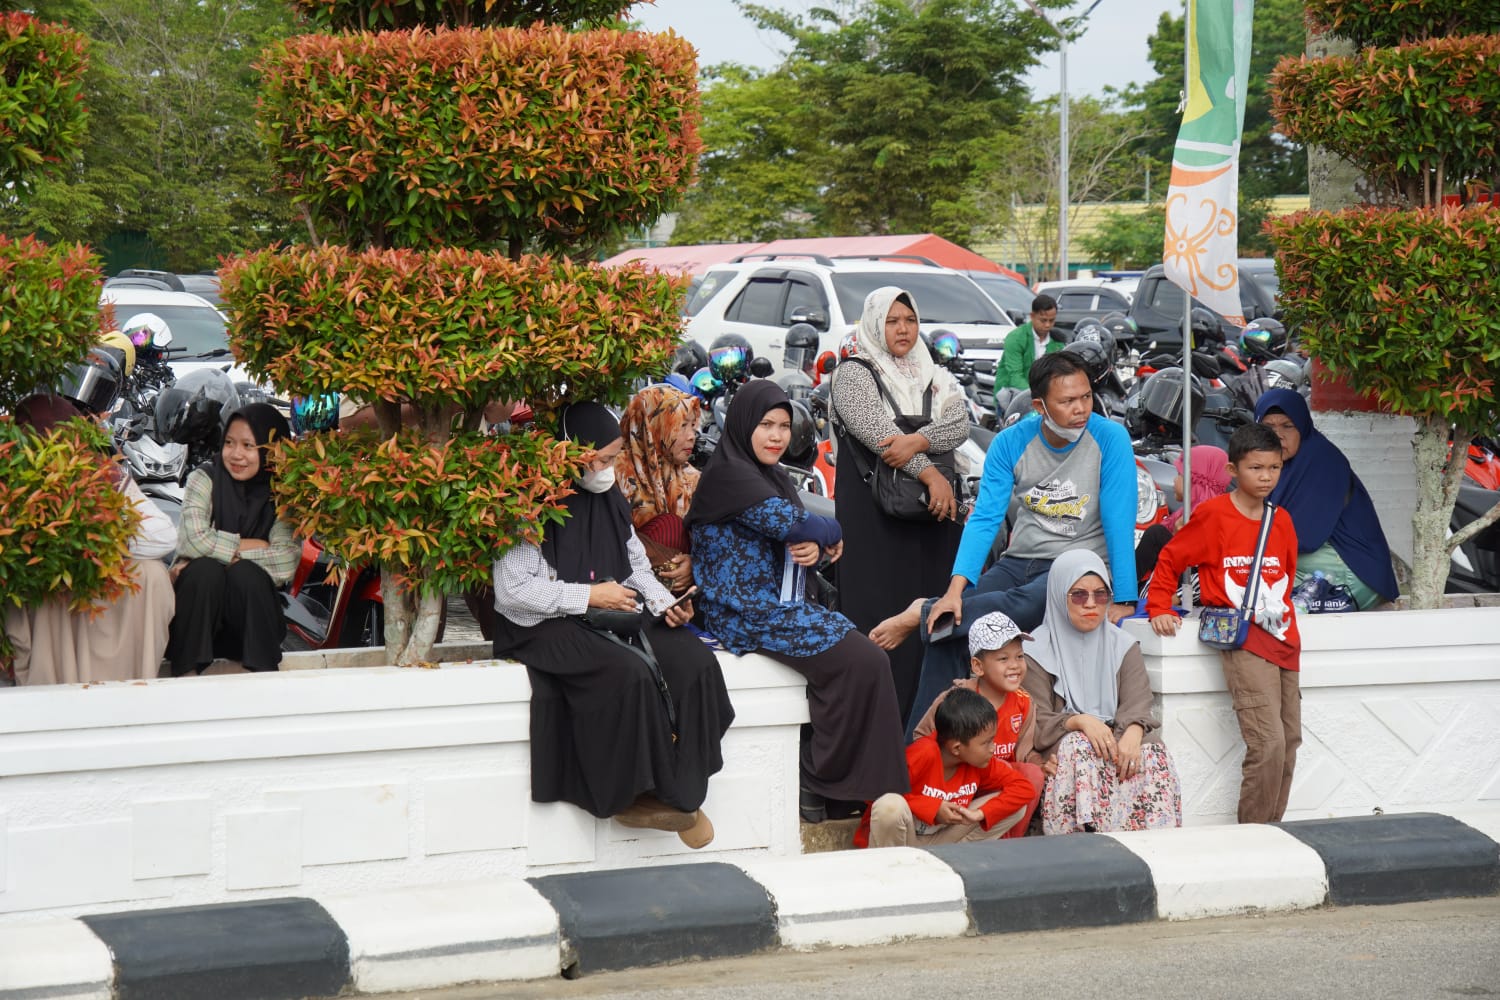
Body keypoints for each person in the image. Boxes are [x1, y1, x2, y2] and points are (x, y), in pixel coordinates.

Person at [490, 402, 732, 848]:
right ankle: (633, 794)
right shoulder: (530, 503)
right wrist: (587, 596)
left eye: (612, 457)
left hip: (611, 608)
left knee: (694, 660)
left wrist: (665, 604)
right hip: (546, 622)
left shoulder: (610, 499)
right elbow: (513, 591)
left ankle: (682, 790)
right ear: (567, 453)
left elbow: (635, 567)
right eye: (597, 459)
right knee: (629, 673)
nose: (605, 469)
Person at [686, 379, 907, 823]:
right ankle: (820, 779)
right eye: (766, 424)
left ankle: (848, 790)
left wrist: (815, 547)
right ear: (743, 424)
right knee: (862, 661)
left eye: (785, 426)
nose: (777, 436)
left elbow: (804, 533)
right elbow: (802, 522)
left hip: (777, 606)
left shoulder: (768, 474)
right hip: (741, 613)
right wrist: (823, 535)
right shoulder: (730, 475)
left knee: (865, 660)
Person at [887, 352, 1140, 737]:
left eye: (1086, 397)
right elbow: (986, 517)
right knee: (947, 630)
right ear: (1040, 406)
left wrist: (1123, 597)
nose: (1081, 409)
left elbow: (1120, 517)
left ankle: (919, 613)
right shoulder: (1010, 443)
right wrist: (955, 591)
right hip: (1018, 560)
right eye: (1067, 401)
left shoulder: (1110, 437)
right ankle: (920, 758)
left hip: (1073, 567)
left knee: (1011, 608)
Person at [1148, 423, 1302, 824]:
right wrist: (1159, 606)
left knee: (1289, 743)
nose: (1266, 476)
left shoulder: (1281, 520)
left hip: (1285, 639)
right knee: (1267, 743)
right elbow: (1170, 558)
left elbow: (1286, 574)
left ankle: (1273, 829)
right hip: (1245, 642)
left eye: (1274, 468)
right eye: (1255, 468)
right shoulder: (1213, 515)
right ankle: (1252, 835)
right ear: (1233, 470)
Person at [831, 286, 968, 722]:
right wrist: (931, 475)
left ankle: (926, 744)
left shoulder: (934, 372)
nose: (903, 329)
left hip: (932, 523)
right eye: (892, 321)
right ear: (874, 325)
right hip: (877, 528)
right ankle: (877, 746)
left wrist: (920, 440)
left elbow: (960, 423)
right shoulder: (853, 374)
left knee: (930, 627)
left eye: (909, 320)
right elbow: (878, 436)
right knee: (879, 629)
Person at [3, 394, 176, 684]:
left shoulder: (101, 473)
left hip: (102, 586)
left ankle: (132, 685)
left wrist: (92, 538)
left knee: (153, 574)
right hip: (49, 598)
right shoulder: (13, 481)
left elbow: (165, 536)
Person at [1023, 549, 1181, 834]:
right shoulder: (1034, 650)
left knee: (1153, 750)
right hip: (1062, 744)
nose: (1091, 604)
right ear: (1060, 596)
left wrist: (1133, 732)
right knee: (1080, 747)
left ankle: (1157, 847)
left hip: (1115, 737)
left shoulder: (1123, 645)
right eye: (1079, 595)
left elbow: (1137, 702)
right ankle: (1081, 843)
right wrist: (1080, 721)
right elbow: (1035, 719)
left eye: (1101, 594)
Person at [165, 403, 299, 675]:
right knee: (204, 572)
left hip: (250, 623)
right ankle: (186, 675)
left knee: (245, 575)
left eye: (249, 446)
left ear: (271, 448)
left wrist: (225, 556)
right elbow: (191, 541)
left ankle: (260, 677)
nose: (236, 454)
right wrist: (256, 546)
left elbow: (285, 562)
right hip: (197, 617)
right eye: (229, 442)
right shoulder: (205, 478)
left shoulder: (283, 493)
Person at [1253, 388, 1398, 609]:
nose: (1277, 435)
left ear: (1302, 427)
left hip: (1353, 571)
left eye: (1287, 426)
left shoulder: (1320, 460)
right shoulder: (1279, 465)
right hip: (1326, 561)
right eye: (1268, 427)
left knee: (1257, 566)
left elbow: (1304, 538)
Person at [910, 611, 1045, 839]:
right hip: (959, 783)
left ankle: (1009, 843)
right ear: (978, 666)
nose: (1014, 665)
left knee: (1031, 775)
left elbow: (1024, 751)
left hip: (996, 778)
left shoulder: (1024, 702)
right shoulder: (955, 700)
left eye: (1019, 657)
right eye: (1003, 659)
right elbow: (924, 739)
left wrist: (1040, 764)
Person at [855, 687, 1035, 848]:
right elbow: (875, 793)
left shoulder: (980, 762)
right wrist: (933, 808)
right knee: (890, 805)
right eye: (986, 742)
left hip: (943, 840)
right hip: (902, 842)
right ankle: (893, 872)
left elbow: (1024, 789)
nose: (993, 748)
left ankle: (955, 859)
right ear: (957, 748)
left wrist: (981, 813)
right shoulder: (924, 752)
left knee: (1016, 807)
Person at [615, 383, 702, 595]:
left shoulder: (692, 477)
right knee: (668, 525)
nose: (692, 435)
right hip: (626, 583)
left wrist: (694, 564)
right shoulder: (614, 471)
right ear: (653, 424)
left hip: (682, 590)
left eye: (693, 426)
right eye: (682, 426)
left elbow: (706, 537)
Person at [1134, 444, 1230, 592]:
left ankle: (1126, 588)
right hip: (1187, 577)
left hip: (1192, 582)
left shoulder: (1205, 514)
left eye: (1180, 475)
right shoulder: (1200, 510)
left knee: (1156, 534)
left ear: (1195, 480)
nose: (1174, 480)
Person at [994, 294, 1063, 394]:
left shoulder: (1058, 343)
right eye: (1043, 320)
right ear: (1032, 316)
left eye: (1051, 320)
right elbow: (1015, 377)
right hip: (1011, 396)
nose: (1048, 325)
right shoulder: (1016, 338)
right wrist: (1037, 396)